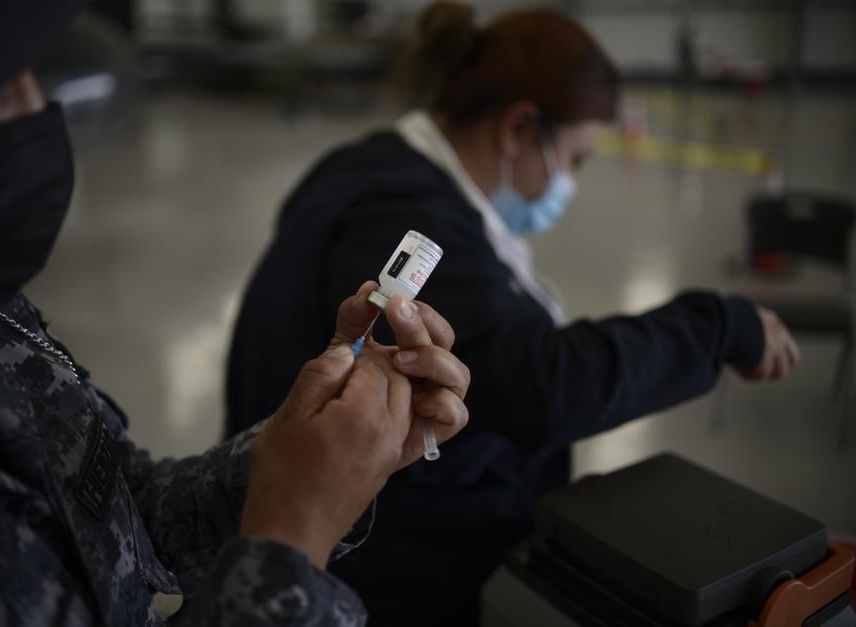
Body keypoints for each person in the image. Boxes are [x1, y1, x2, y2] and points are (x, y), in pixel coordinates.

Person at [224, 3, 800, 626]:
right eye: (574, 161)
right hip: (368, 569)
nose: (569, 184)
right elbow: (541, 381)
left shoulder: (375, 163)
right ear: (520, 129)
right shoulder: (407, 217)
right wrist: (718, 328)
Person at [0, 3, 470, 625]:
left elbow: (126, 512)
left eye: (26, 71)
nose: (32, 108)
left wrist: (307, 456)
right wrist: (293, 539)